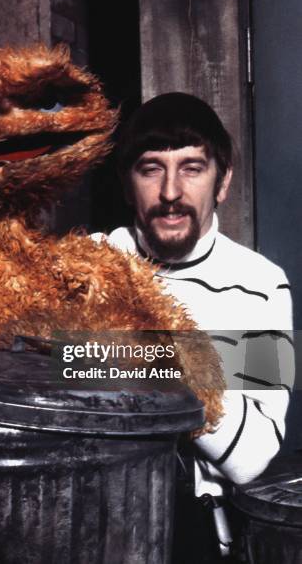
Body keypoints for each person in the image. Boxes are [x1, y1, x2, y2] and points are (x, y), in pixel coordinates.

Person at [92, 92, 294, 560]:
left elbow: (253, 454)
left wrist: (150, 352)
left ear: (222, 182)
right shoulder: (91, 263)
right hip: (91, 511)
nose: (170, 193)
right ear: (127, 186)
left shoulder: (261, 284)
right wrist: (216, 363)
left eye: (192, 168)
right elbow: (64, 372)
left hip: (197, 531)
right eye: (151, 169)